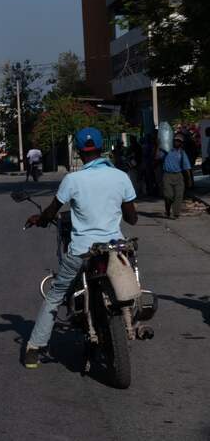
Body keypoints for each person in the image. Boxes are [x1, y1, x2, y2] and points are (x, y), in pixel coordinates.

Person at [22, 127, 138, 369]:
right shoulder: (120, 176)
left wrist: (38, 219)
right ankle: (133, 313)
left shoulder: (72, 180)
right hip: (115, 247)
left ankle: (34, 349)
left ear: (77, 149)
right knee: (132, 274)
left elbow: (51, 213)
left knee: (55, 295)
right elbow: (132, 219)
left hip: (82, 250)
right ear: (101, 148)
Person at [160, 133, 192, 219]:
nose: (177, 142)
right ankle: (167, 210)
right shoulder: (167, 150)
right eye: (175, 140)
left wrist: (189, 180)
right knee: (168, 195)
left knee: (179, 195)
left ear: (181, 143)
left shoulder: (182, 153)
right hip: (167, 175)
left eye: (179, 141)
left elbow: (187, 168)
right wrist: (158, 145)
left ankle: (176, 213)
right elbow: (157, 157)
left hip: (178, 176)